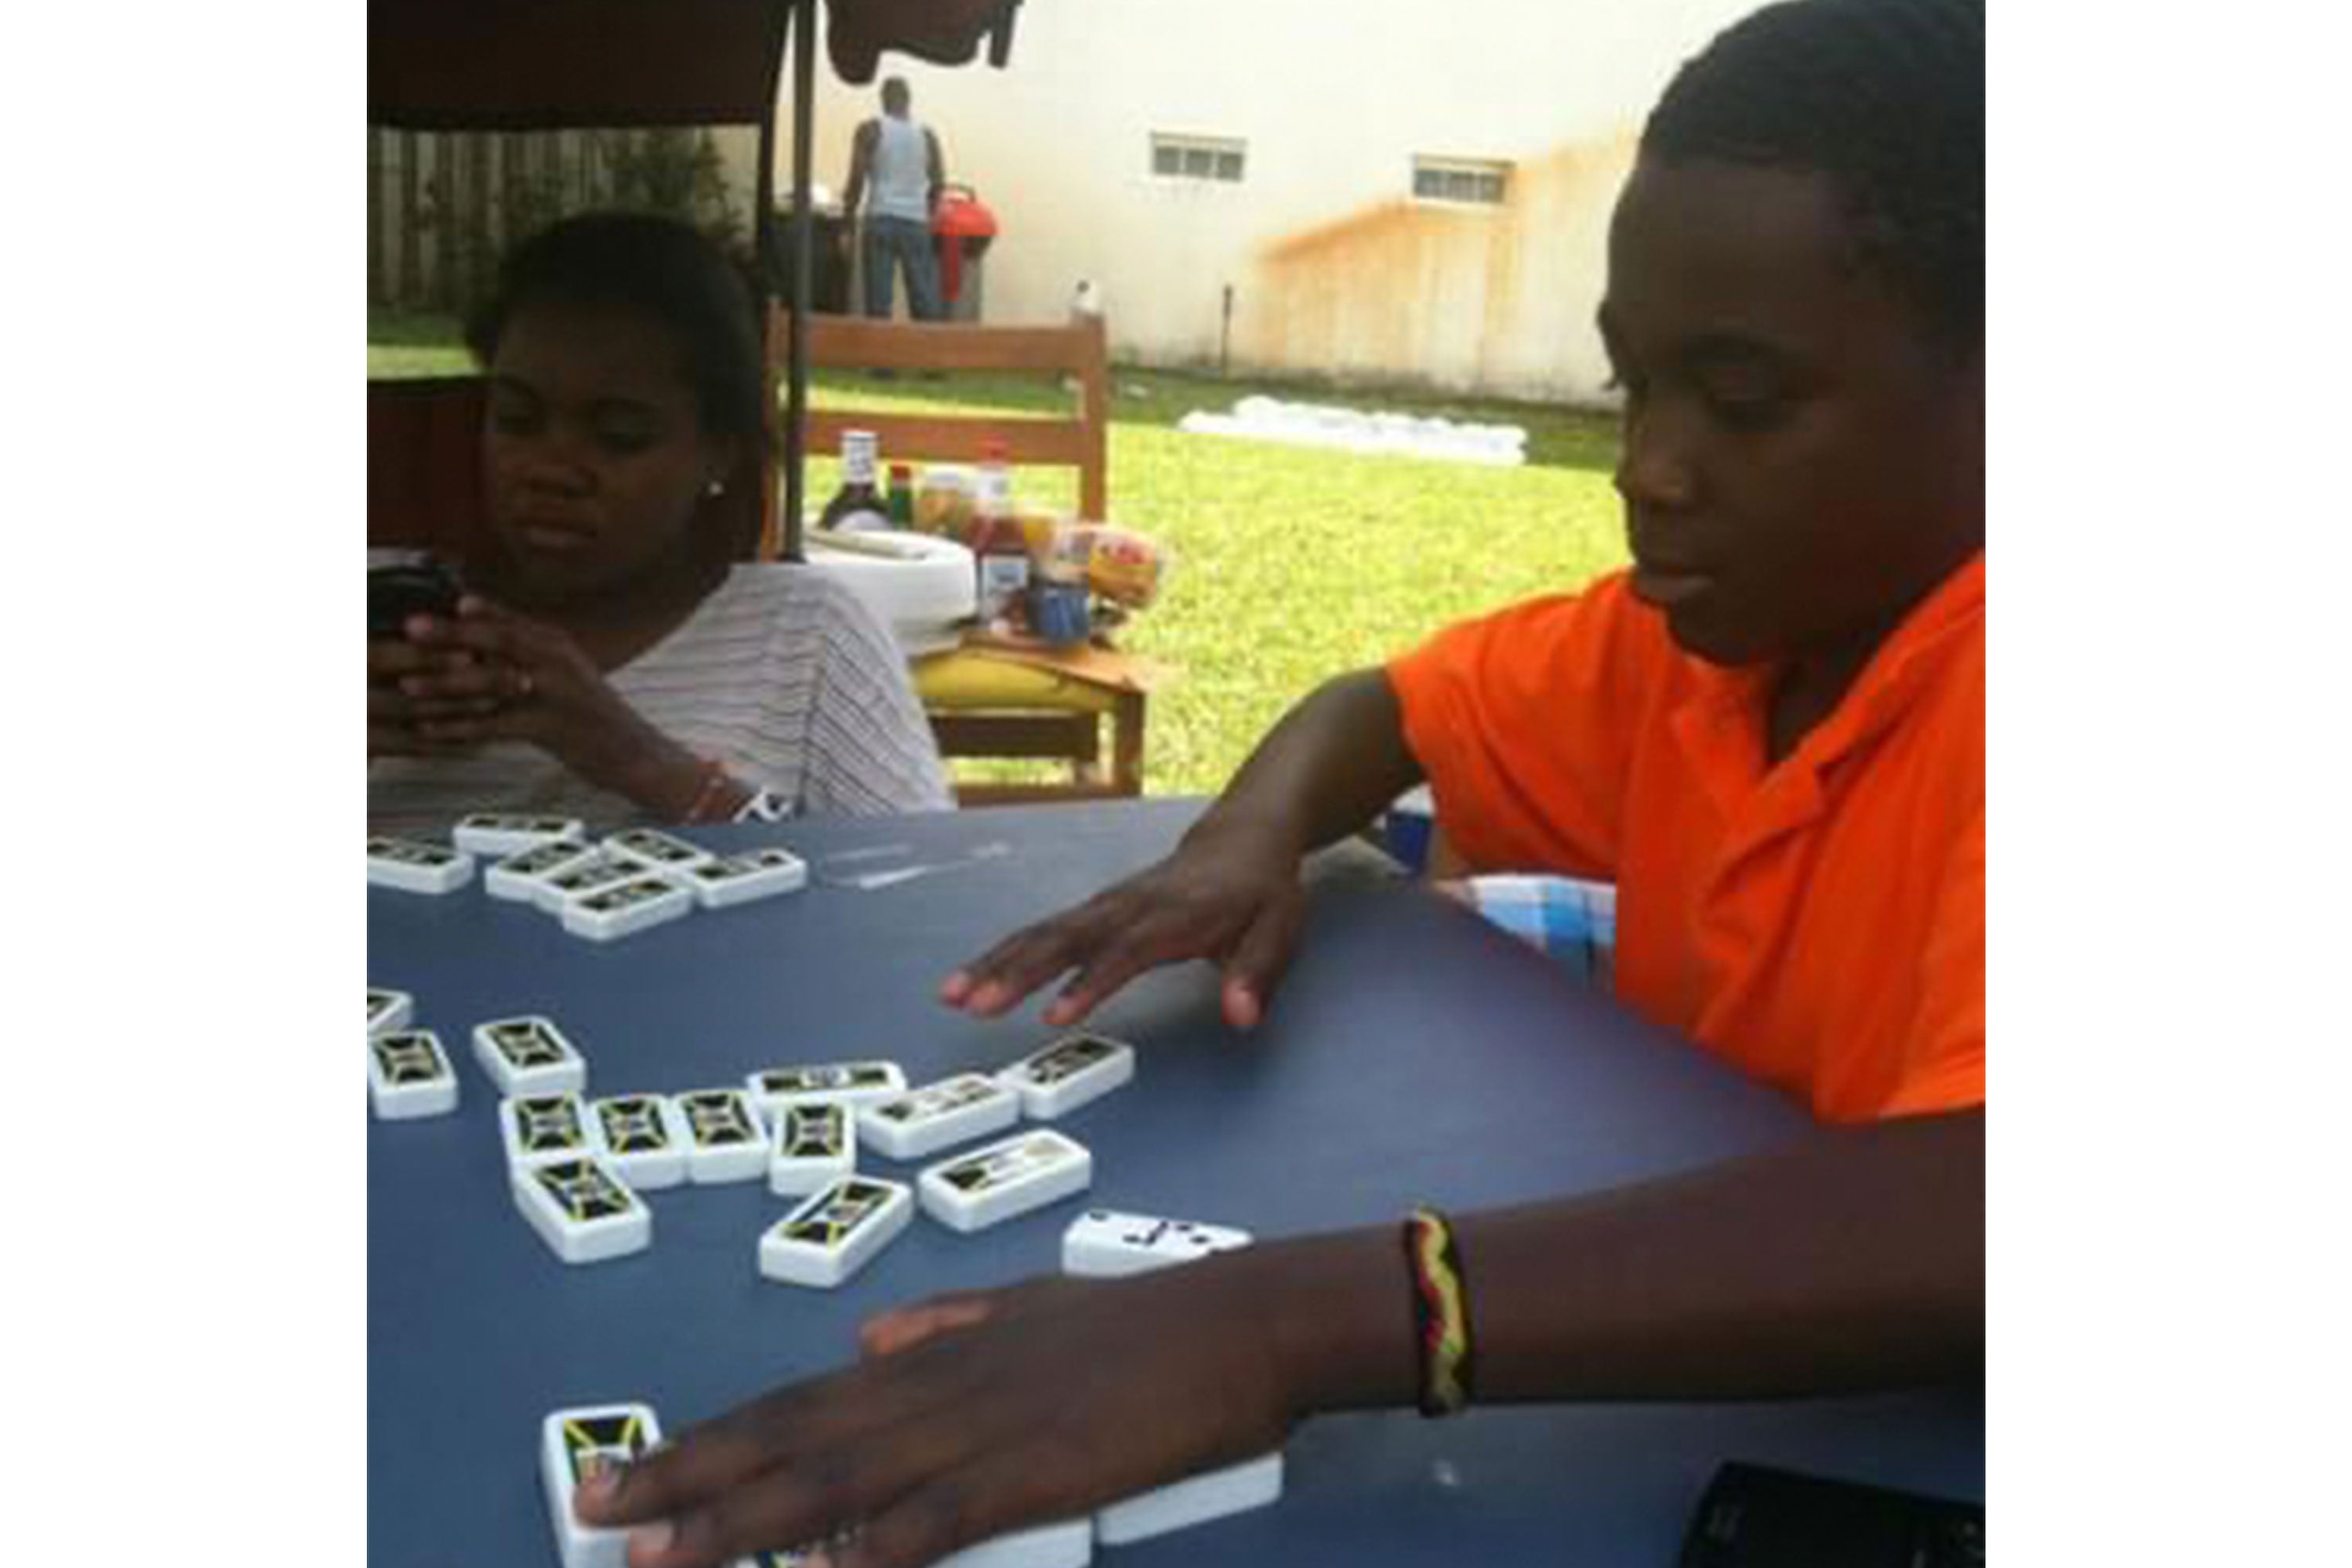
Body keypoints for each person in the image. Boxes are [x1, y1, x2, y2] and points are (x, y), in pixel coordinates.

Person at [575, 1, 1984, 1562]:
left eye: (1748, 400)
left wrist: (1277, 1321)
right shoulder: (1704, 649)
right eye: (1635, 385)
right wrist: (1246, 837)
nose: (1649, 466)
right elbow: (1384, 708)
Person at [368, 212, 952, 830]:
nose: (550, 470)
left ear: (719, 452)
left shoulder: (806, 636)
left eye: (620, 437)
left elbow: (917, 892)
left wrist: (633, 757)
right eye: (515, 420)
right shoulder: (375, 607)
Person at [842, 77, 949, 322]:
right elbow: (939, 182)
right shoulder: (927, 135)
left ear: (883, 100)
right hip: (915, 222)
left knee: (878, 304)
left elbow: (856, 179)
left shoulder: (871, 130)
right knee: (924, 301)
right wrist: (928, 215)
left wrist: (847, 226)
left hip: (880, 218)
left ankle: (881, 360)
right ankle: (924, 356)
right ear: (908, 101)